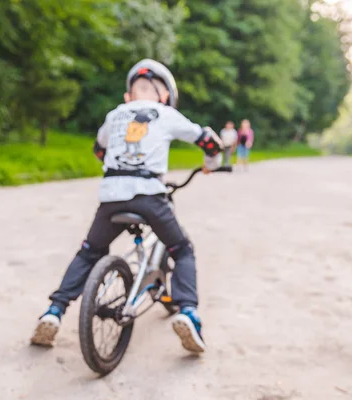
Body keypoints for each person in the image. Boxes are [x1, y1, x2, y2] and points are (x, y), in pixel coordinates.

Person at [30, 59, 224, 354]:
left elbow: (99, 148)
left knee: (89, 251)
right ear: (164, 96)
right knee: (182, 249)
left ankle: (54, 312)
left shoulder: (116, 114)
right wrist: (212, 163)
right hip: (149, 195)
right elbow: (208, 140)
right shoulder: (166, 113)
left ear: (128, 95)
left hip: (111, 197)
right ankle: (189, 312)